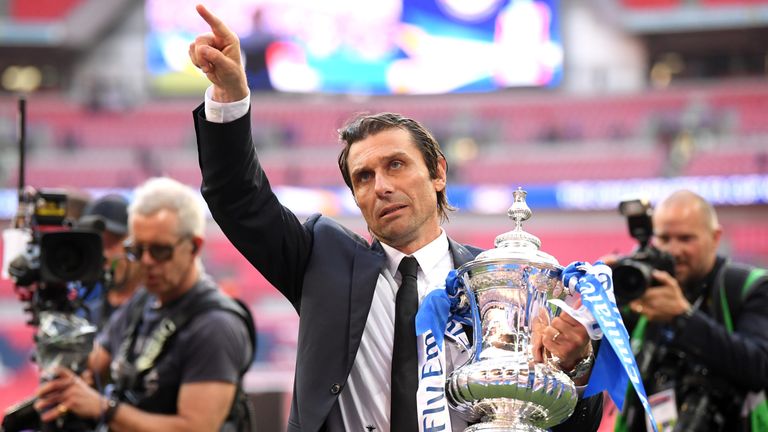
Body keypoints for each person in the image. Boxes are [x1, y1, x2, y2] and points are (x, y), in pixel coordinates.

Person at [189, 5, 602, 431]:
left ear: (438, 172)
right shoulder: (321, 260)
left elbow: (547, 418)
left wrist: (575, 367)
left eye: (396, 165)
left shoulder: (497, 285)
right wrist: (230, 97)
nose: (381, 186)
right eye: (363, 177)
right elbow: (238, 198)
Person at [34, 177, 256, 432]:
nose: (147, 262)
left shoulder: (215, 326)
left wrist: (104, 408)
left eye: (160, 251)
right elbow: (96, 364)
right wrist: (66, 378)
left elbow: (196, 428)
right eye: (138, 250)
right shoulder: (144, 299)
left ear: (193, 247)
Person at [615, 190, 768, 431]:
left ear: (715, 237)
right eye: (664, 238)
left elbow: (759, 367)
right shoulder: (644, 289)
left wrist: (682, 318)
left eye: (686, 239)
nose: (674, 251)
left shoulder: (748, 287)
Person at [77, 193, 143, 328]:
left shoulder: (156, 311)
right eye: (97, 244)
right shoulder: (85, 315)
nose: (104, 254)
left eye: (112, 242)